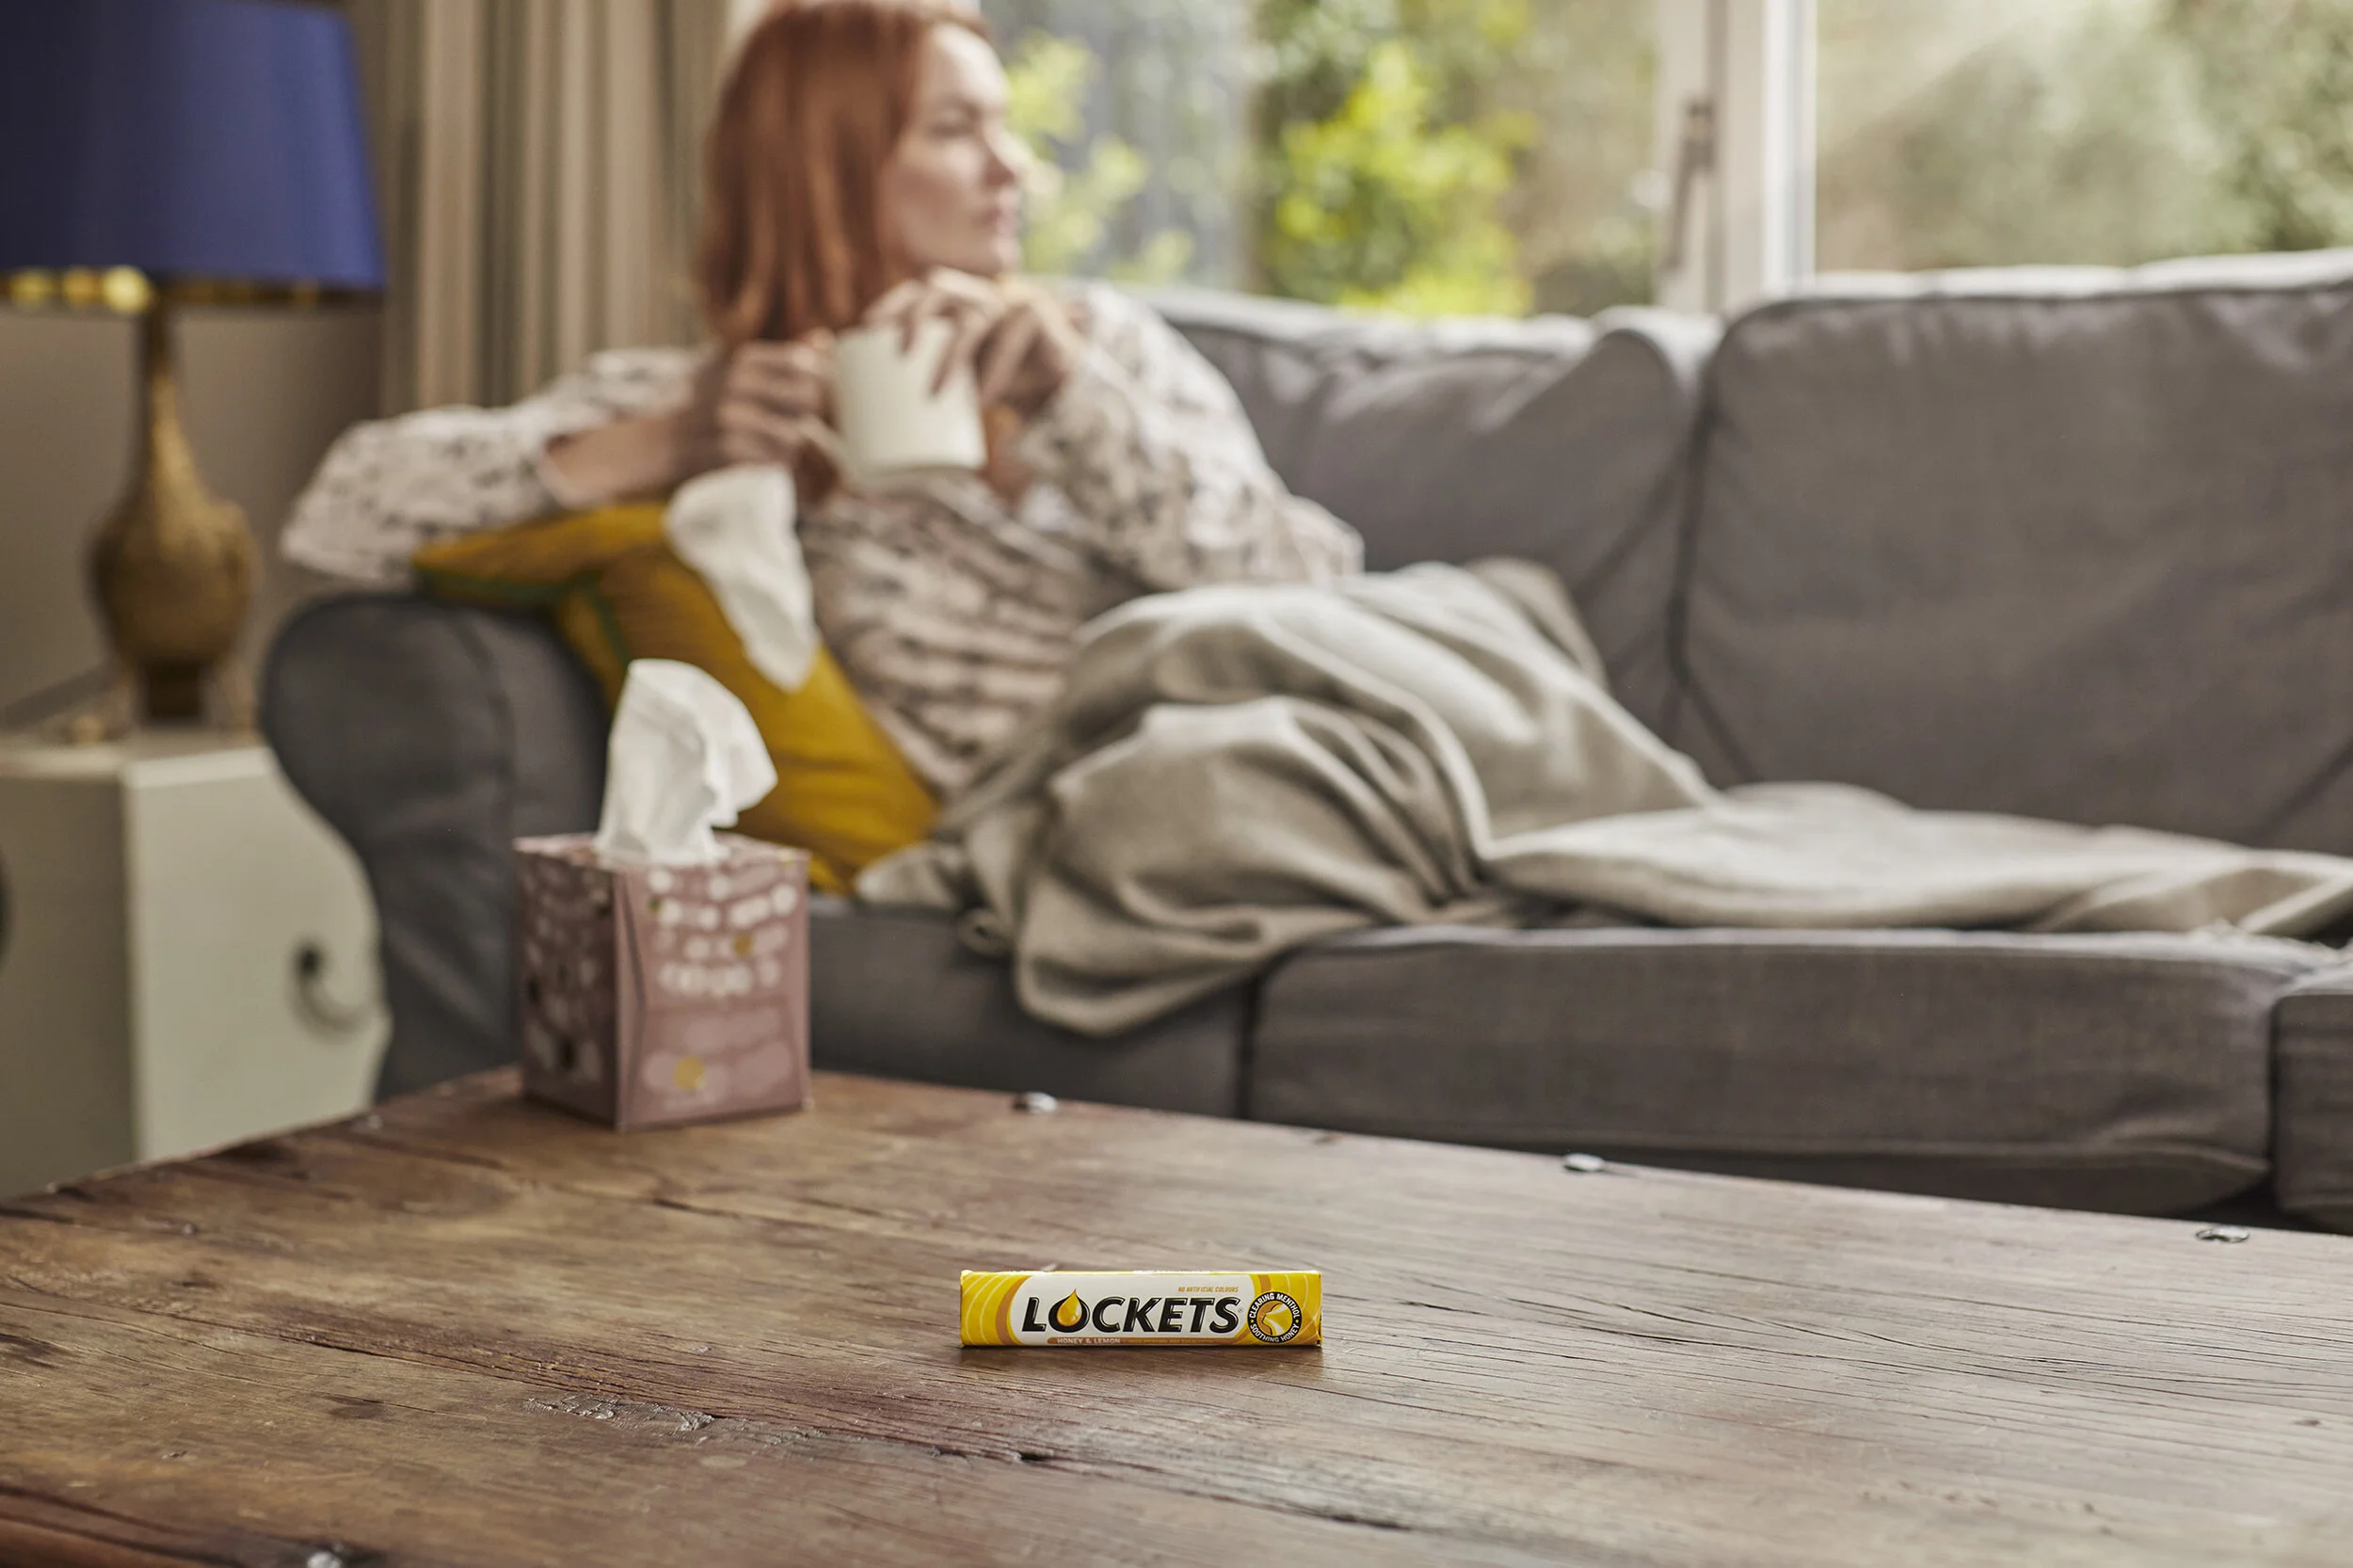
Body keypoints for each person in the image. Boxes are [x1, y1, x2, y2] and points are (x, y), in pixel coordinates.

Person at [282, 0, 1362, 797]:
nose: (1012, 168)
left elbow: (1308, 593)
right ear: (825, 165)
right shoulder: (714, 401)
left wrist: (1070, 401)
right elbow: (343, 510)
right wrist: (671, 441)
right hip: (1089, 814)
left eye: (1001, 126)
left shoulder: (1095, 348)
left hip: (1266, 744)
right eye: (956, 129)